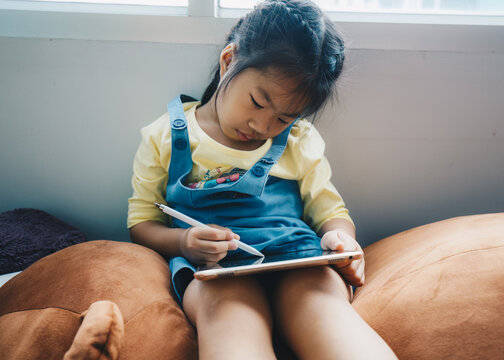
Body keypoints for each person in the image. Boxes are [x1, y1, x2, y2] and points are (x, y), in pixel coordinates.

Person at [128, 0, 397, 358]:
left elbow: (329, 209)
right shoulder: (166, 135)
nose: (262, 127)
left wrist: (340, 238)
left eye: (283, 118)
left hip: (297, 260)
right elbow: (141, 222)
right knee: (228, 318)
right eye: (256, 102)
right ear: (228, 61)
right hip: (217, 271)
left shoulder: (298, 141)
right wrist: (183, 241)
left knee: (327, 314)